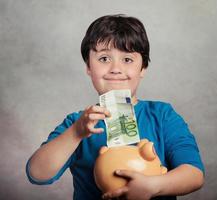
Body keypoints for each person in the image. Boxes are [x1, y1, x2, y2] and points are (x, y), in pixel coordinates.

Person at [26, 14, 205, 200]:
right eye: (104, 59)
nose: (115, 68)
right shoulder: (77, 123)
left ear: (143, 68)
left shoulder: (162, 116)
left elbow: (194, 174)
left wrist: (153, 186)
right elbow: (37, 174)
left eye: (127, 60)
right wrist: (76, 133)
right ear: (88, 66)